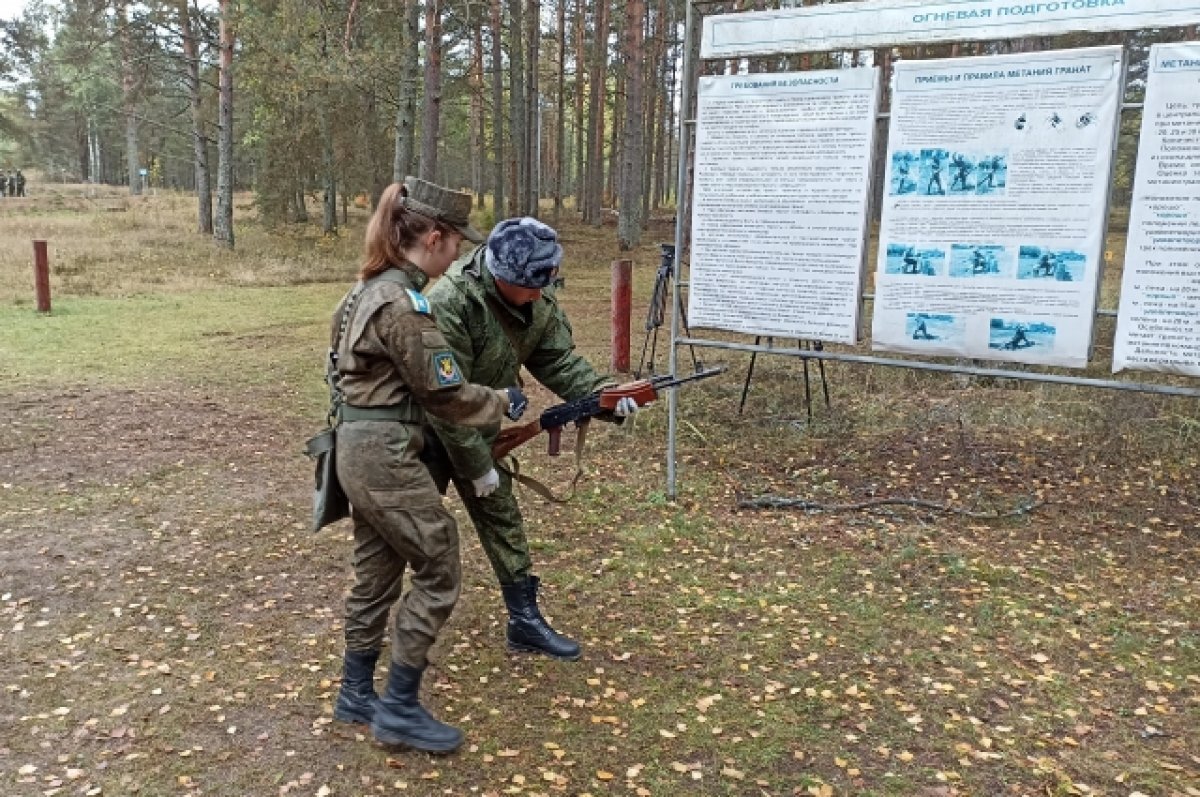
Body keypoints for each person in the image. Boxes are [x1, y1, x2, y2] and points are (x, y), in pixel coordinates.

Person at [328, 176, 527, 754]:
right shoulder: (403, 303)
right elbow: (444, 393)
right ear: (433, 237)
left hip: (357, 447)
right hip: (386, 453)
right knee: (438, 563)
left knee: (378, 570)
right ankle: (398, 708)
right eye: (456, 242)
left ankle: (356, 692)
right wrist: (502, 401)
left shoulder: (363, 291)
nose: (460, 253)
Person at [422, 217, 639, 662]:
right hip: (419, 433)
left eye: (546, 282)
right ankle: (381, 627)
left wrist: (604, 397)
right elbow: (444, 399)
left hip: (477, 428)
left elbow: (557, 360)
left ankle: (524, 622)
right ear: (500, 276)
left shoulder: (535, 297)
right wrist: (477, 466)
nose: (540, 294)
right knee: (407, 532)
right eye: (530, 285)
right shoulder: (451, 302)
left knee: (502, 518)